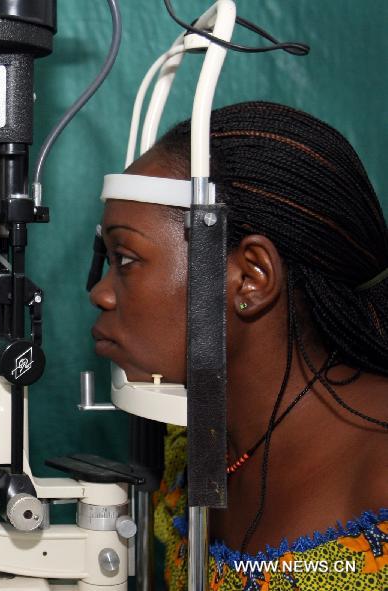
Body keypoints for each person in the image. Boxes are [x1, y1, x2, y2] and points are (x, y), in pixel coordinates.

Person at [89, 101, 387, 590]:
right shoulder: (190, 448)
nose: (99, 293)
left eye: (125, 258)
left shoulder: (379, 482)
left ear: (250, 277)